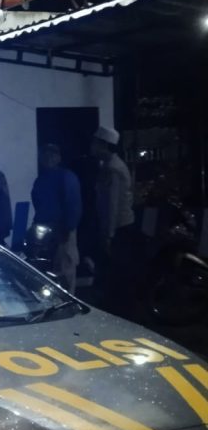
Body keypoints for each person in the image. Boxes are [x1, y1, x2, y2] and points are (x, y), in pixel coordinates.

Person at [90, 125, 136, 313]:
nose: (92, 146)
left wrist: (108, 235)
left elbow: (112, 204)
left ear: (104, 145)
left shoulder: (112, 169)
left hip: (119, 229)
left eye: (95, 143)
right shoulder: (109, 165)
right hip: (117, 228)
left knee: (117, 272)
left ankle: (121, 310)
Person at [30, 143, 82, 293]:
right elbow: (38, 204)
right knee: (47, 267)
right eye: (45, 154)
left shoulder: (66, 177)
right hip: (44, 231)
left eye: (52, 154)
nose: (48, 157)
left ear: (59, 158)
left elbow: (73, 204)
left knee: (65, 266)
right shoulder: (40, 180)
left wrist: (67, 228)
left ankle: (69, 299)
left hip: (63, 229)